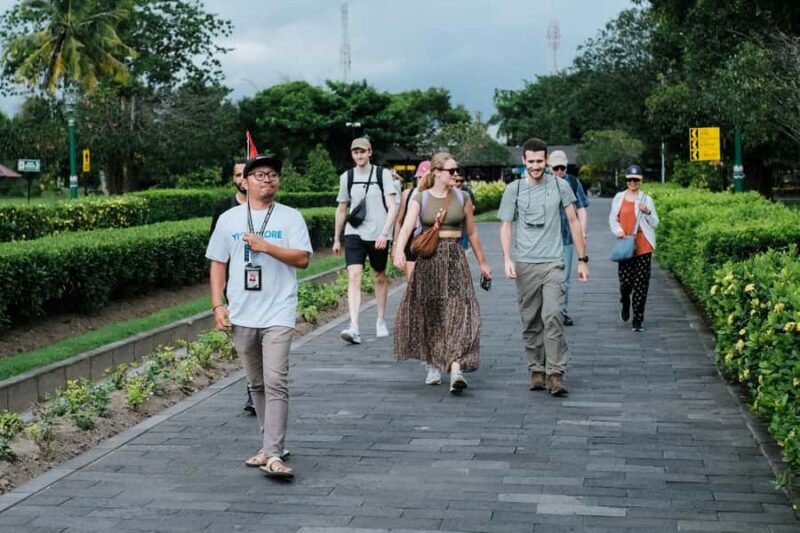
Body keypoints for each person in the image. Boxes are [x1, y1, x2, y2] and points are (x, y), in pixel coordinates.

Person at [207, 155, 313, 479]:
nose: (268, 180)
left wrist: (267, 247)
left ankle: (275, 454)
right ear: (245, 181)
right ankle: (268, 446)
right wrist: (217, 305)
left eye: (273, 175)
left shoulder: (291, 218)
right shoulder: (228, 220)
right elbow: (217, 263)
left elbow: (303, 259)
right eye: (260, 175)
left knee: (275, 381)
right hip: (242, 312)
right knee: (255, 383)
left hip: (279, 310)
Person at [393, 152, 492, 393]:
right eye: (451, 171)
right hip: (429, 259)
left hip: (456, 257)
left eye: (457, 170)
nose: (456, 174)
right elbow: (407, 227)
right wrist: (398, 250)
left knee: (459, 310)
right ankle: (434, 362)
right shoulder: (421, 197)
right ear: (437, 172)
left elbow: (473, 232)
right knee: (432, 310)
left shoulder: (462, 196)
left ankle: (456, 368)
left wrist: (483, 263)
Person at [498, 138, 589, 396]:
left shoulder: (560, 186)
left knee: (553, 316)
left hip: (553, 261)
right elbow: (505, 226)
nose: (536, 166)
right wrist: (507, 258)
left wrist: (583, 260)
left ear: (546, 161)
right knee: (530, 320)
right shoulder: (513, 190)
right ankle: (536, 369)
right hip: (525, 263)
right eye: (531, 161)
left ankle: (556, 373)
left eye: (540, 161)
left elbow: (573, 221)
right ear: (524, 161)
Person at [333, 137, 398, 344]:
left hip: (378, 233)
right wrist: (336, 238)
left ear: (370, 152)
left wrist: (385, 233)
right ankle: (354, 326)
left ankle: (380, 319)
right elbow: (342, 208)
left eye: (363, 151)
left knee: (379, 275)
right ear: (352, 155)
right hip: (354, 231)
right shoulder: (347, 177)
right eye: (355, 152)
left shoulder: (383, 174)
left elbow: (393, 206)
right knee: (354, 276)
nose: (359, 155)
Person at [209, 159, 258, 416]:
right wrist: (220, 296)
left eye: (245, 174)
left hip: (263, 284)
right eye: (238, 175)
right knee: (245, 337)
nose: (241, 179)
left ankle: (258, 385)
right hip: (236, 285)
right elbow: (217, 253)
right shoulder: (224, 209)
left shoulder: (265, 209)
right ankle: (253, 386)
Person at [608, 164, 659, 332]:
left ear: (641, 180)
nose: (632, 182)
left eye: (636, 180)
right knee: (626, 282)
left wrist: (647, 212)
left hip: (643, 245)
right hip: (626, 244)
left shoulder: (646, 199)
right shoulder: (619, 197)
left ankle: (638, 319)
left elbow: (655, 223)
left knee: (641, 284)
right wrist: (619, 231)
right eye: (630, 179)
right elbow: (613, 219)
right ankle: (625, 300)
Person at [548, 150, 589, 326]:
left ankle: (562, 312)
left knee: (563, 278)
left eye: (561, 168)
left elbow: (581, 209)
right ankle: (548, 312)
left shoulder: (572, 182)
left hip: (566, 238)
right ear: (549, 167)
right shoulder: (542, 183)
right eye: (555, 168)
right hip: (544, 240)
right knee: (547, 278)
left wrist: (583, 233)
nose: (559, 171)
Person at [393, 160, 430, 281]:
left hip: (430, 238)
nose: (422, 180)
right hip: (411, 238)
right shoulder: (408, 194)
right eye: (419, 177)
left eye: (425, 177)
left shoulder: (437, 195)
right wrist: (396, 245)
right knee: (412, 282)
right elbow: (399, 221)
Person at [454, 174, 476, 249]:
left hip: (464, 222)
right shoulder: (449, 191)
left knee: (464, 245)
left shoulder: (467, 191)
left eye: (461, 181)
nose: (459, 183)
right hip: (453, 223)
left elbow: (473, 206)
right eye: (457, 181)